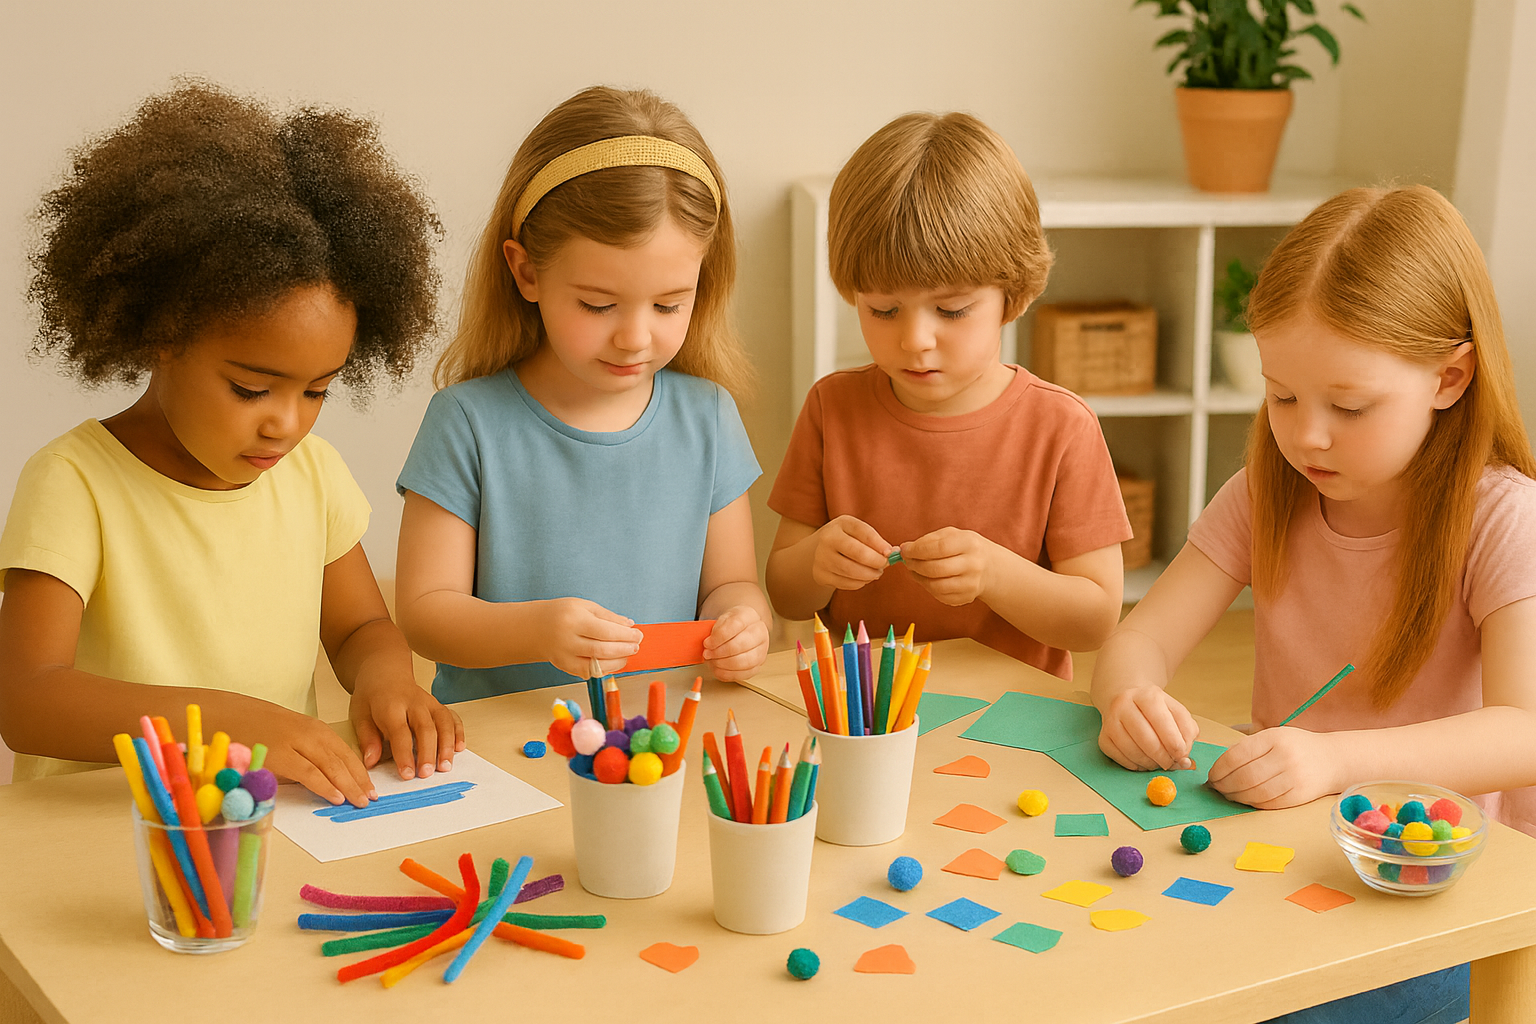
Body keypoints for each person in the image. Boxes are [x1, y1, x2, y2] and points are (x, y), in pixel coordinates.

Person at [1093, 185, 1536, 1024]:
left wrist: (1335, 763)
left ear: (1450, 376)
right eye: (1282, 395)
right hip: (1282, 857)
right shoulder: (1270, 491)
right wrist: (1128, 695)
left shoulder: (1504, 518)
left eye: (1350, 405)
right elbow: (1140, 638)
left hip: (1428, 893)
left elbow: (1526, 731)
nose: (1307, 436)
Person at [0, 83, 463, 805]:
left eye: (317, 390)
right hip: (106, 835)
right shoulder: (73, 482)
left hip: (266, 822)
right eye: (252, 389)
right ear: (162, 336)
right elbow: (28, 702)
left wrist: (386, 678)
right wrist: (228, 726)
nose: (287, 423)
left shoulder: (310, 472)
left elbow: (361, 625)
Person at [394, 86, 770, 702]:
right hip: (501, 749)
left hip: (657, 737)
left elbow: (730, 586)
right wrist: (538, 631)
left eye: (670, 303)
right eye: (598, 304)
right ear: (527, 273)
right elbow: (427, 614)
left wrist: (744, 624)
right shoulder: (466, 422)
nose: (635, 337)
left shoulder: (710, 418)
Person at [765, 112, 1129, 678]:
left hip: (1011, 718)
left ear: (1012, 295)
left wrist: (994, 574)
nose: (914, 340)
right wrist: (817, 563)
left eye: (952, 310)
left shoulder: (1061, 427)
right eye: (882, 309)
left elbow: (1095, 621)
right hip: (864, 712)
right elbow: (787, 597)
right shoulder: (831, 409)